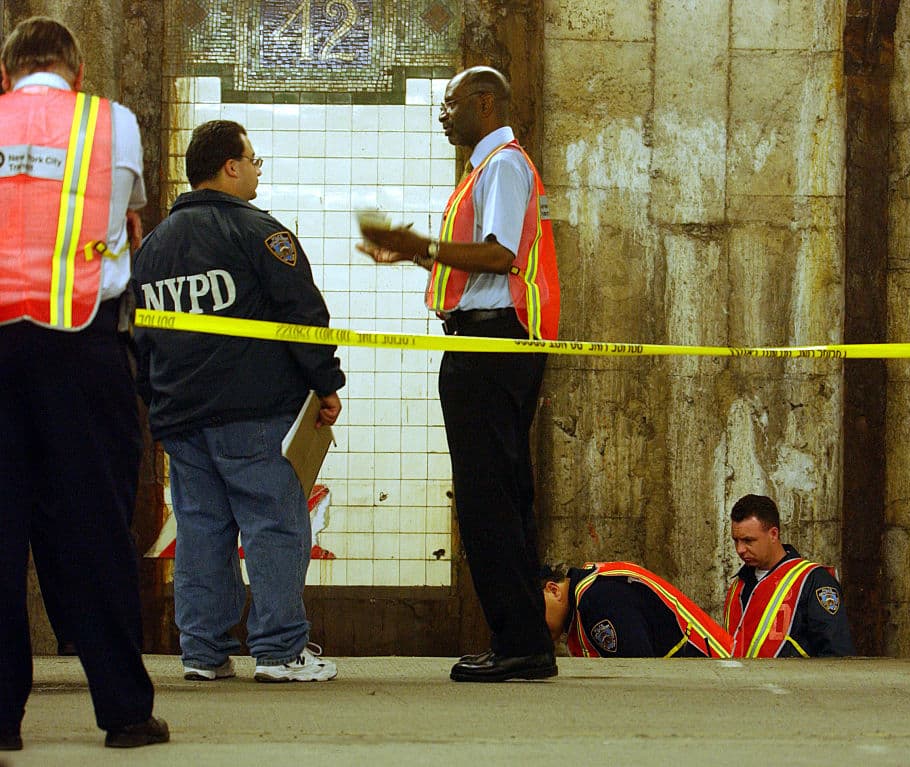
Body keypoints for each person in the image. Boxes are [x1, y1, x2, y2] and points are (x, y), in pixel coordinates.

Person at [358, 66, 561, 682]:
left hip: (492, 343)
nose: (440, 114)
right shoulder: (490, 167)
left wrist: (419, 246)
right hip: (495, 343)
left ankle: (520, 645)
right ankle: (524, 639)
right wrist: (416, 251)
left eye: (448, 104)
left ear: (484, 102)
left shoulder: (503, 165)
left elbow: (500, 253)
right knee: (503, 491)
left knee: (486, 498)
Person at [0, 16, 168, 750]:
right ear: (73, 68)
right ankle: (124, 710)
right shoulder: (112, 122)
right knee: (96, 526)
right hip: (81, 345)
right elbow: (127, 211)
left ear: (7, 74)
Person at [132, 119, 344, 683]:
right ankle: (278, 652)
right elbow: (304, 314)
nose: (256, 170)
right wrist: (326, 383)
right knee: (274, 524)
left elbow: (140, 338)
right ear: (230, 166)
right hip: (254, 414)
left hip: (182, 419)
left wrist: (158, 404)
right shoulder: (259, 234)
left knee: (201, 532)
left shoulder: (152, 248)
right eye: (253, 160)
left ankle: (203, 653)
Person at [726, 494, 855, 657]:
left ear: (773, 534)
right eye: (736, 540)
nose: (740, 549)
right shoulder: (740, 584)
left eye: (748, 541)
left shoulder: (813, 581)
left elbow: (837, 655)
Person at [541, 562, 734, 658]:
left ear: (553, 589)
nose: (533, 627)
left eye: (535, 614)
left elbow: (636, 674)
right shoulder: (590, 589)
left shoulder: (595, 598)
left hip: (716, 678)